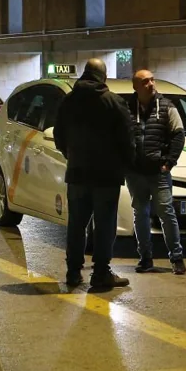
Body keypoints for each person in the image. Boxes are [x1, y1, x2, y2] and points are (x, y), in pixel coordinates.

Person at [53, 59, 134, 291]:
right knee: (105, 224)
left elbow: (59, 135)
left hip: (77, 173)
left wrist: (71, 155)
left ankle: (73, 272)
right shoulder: (114, 102)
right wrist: (125, 165)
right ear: (103, 76)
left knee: (76, 224)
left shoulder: (68, 101)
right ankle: (100, 273)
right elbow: (127, 139)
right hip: (107, 176)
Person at [124, 69, 186, 275]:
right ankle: (145, 258)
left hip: (158, 173)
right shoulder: (127, 109)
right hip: (135, 173)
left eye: (152, 80)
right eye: (145, 81)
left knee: (166, 213)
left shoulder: (167, 107)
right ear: (136, 87)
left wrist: (169, 163)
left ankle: (176, 257)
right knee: (140, 214)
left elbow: (178, 135)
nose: (151, 84)